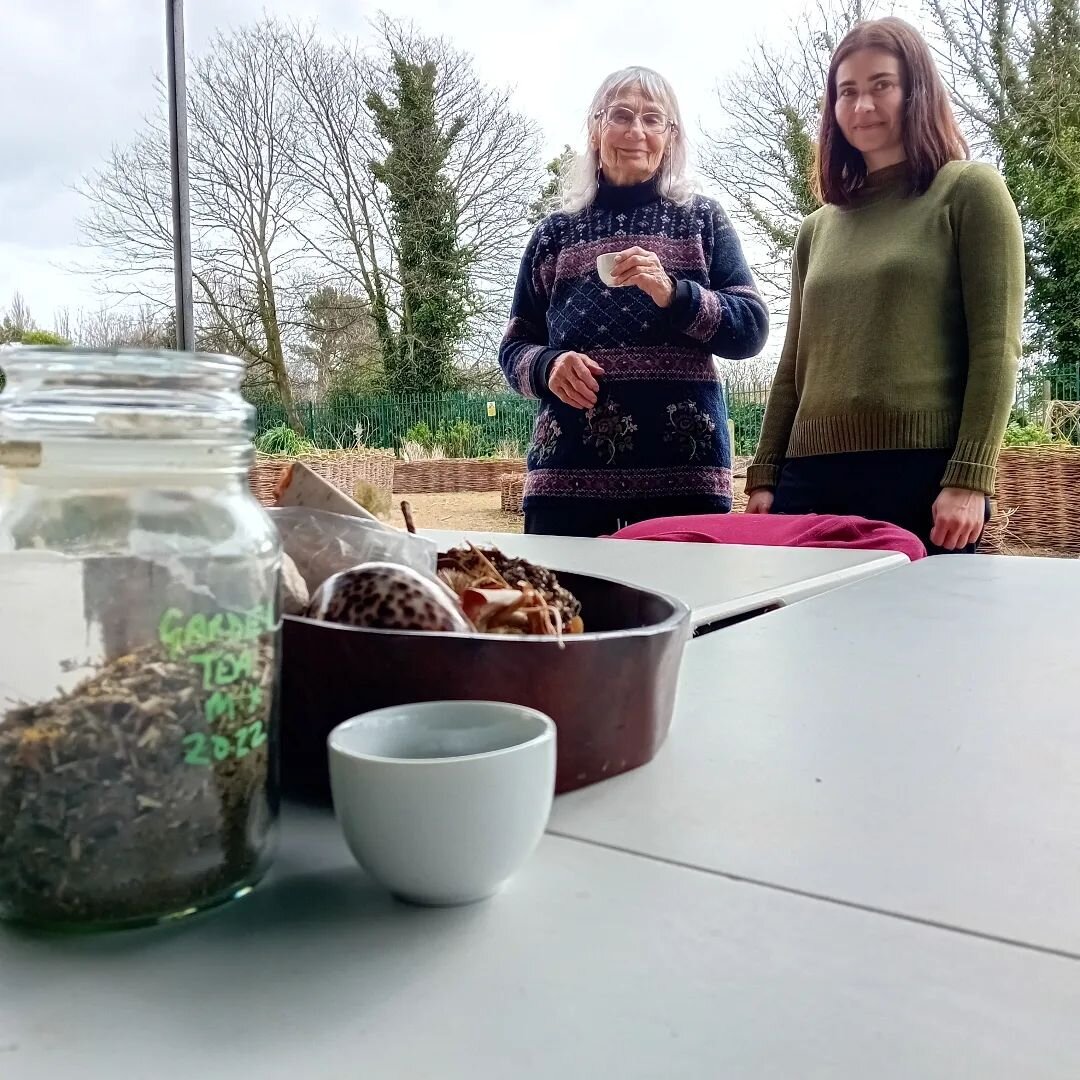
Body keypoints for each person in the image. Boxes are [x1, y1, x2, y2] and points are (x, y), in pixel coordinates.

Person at [746, 17, 1025, 554]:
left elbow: (997, 348)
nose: (862, 105)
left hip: (920, 477)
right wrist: (765, 473)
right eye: (846, 92)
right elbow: (792, 367)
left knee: (922, 637)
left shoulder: (968, 192)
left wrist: (970, 475)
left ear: (916, 90)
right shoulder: (817, 228)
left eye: (881, 85)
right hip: (809, 479)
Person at [499, 67, 769, 537]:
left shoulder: (702, 220)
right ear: (595, 128)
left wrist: (675, 294)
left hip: (685, 477)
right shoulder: (554, 234)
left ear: (671, 136)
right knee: (563, 610)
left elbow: (750, 330)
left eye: (652, 119)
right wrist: (548, 366)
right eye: (620, 115)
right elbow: (514, 347)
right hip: (566, 482)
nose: (635, 131)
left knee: (694, 610)